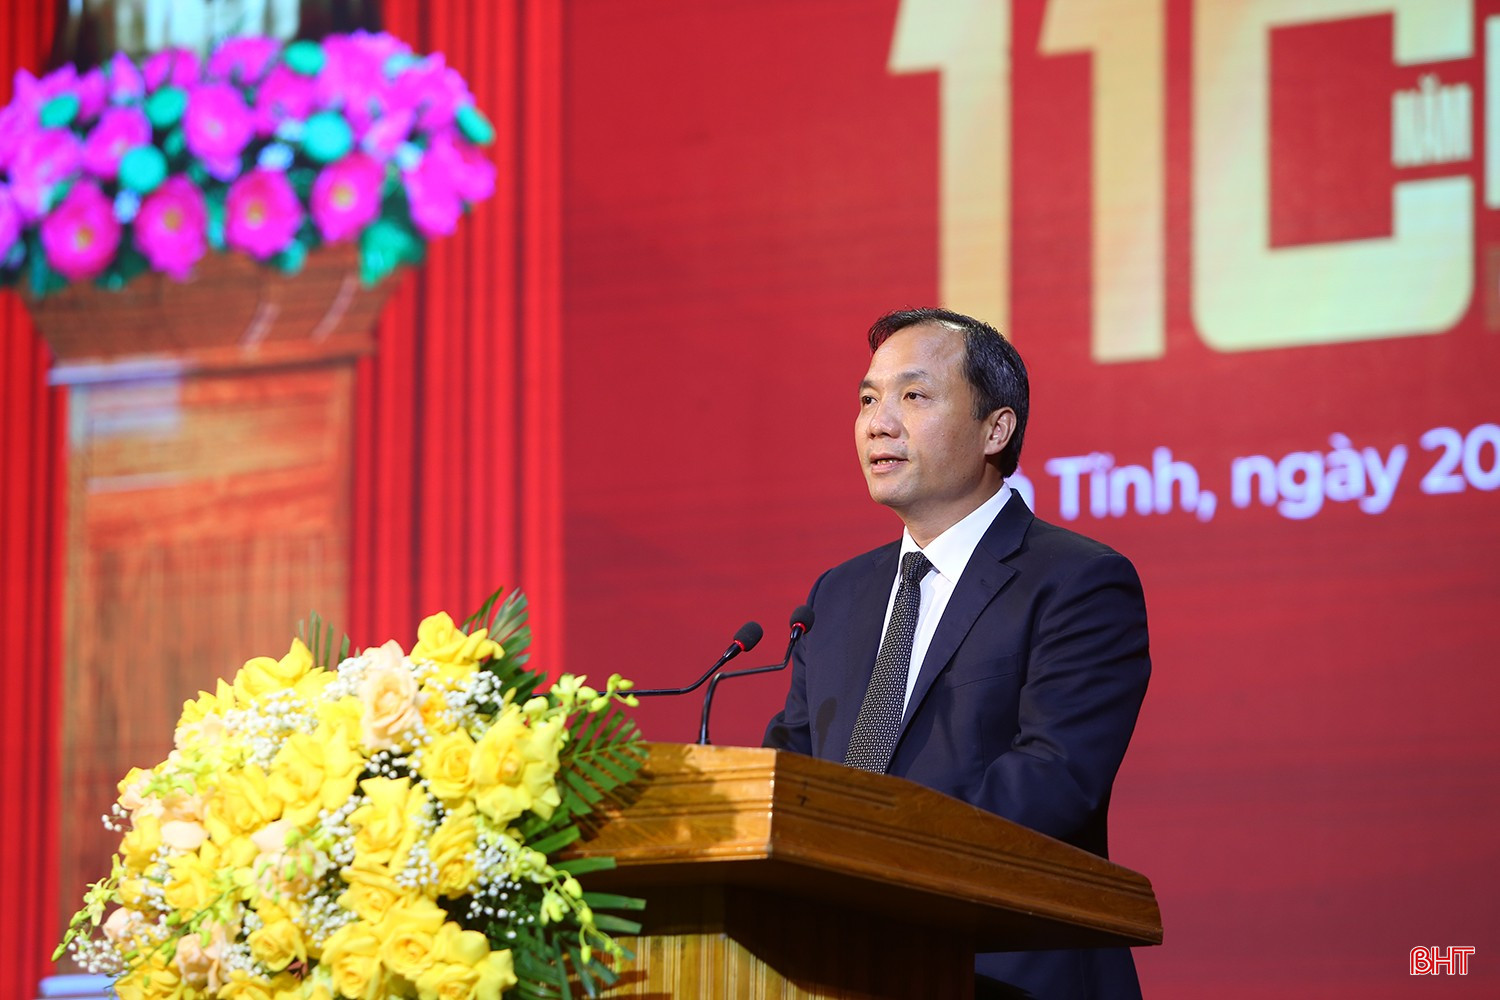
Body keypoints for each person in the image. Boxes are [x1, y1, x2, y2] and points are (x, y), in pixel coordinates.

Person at [764, 307, 1151, 1000]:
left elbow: (1054, 778)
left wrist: (872, 854)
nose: (879, 423)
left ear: (995, 430)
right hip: (840, 967)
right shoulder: (838, 595)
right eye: (868, 400)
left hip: (1005, 968)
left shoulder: (1078, 581)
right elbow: (792, 769)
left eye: (913, 395)